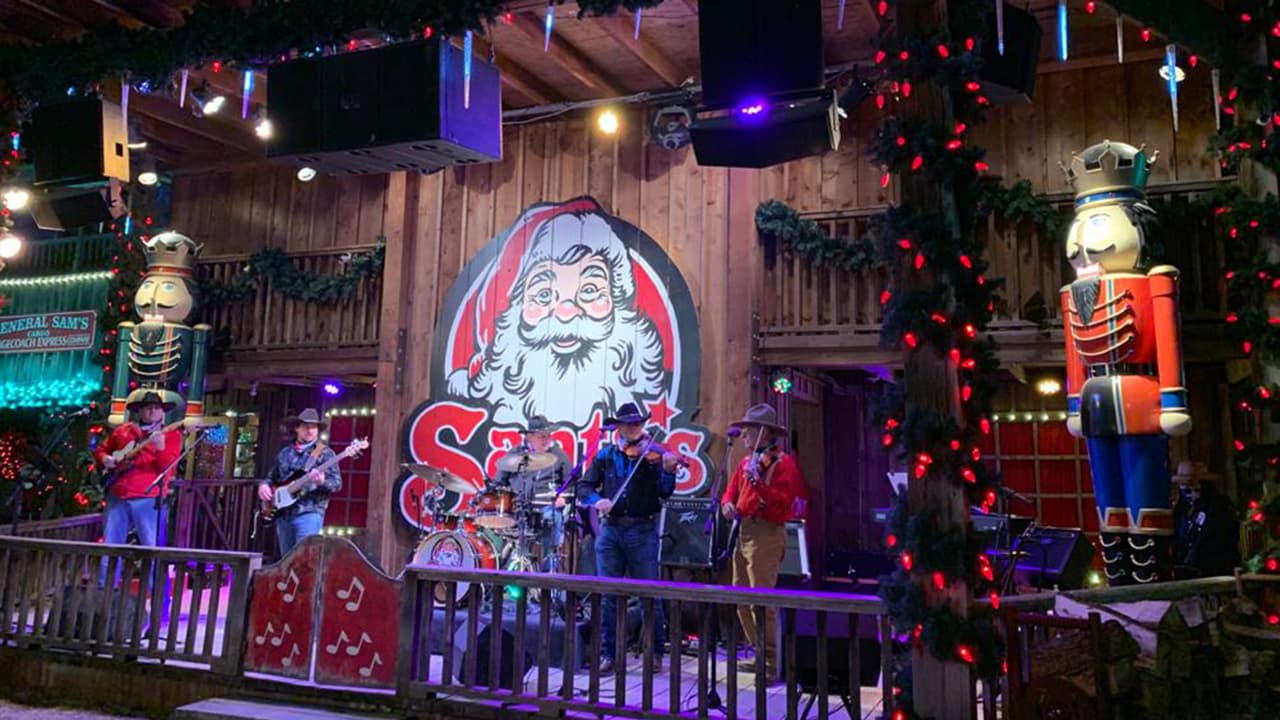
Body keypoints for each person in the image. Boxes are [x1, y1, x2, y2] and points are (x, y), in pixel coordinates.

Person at [580, 402, 680, 674]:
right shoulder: (605, 456)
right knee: (608, 595)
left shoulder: (654, 456)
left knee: (650, 594)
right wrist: (597, 500)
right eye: (629, 424)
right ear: (620, 427)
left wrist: (669, 471)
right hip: (611, 530)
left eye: (638, 424)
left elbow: (664, 492)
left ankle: (655, 653)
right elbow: (584, 486)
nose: (635, 428)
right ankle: (608, 654)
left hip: (643, 531)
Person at [720, 404, 809, 678]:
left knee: (761, 600)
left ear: (765, 432)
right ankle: (759, 653)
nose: (744, 434)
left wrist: (758, 483)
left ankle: (771, 662)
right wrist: (726, 505)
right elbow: (730, 493)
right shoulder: (747, 462)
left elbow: (782, 506)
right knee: (740, 598)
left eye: (749, 429)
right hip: (743, 530)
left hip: (766, 533)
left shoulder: (783, 464)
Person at [95, 391, 183, 546]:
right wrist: (104, 458)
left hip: (148, 496)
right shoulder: (123, 431)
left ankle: (151, 571)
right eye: (148, 407)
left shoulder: (171, 435)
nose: (153, 411)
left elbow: (167, 468)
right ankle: (108, 570)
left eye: (157, 407)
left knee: (151, 546)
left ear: (162, 412)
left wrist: (160, 448)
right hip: (118, 493)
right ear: (139, 411)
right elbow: (102, 450)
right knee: (110, 545)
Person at [494, 415, 574, 569]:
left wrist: (564, 497)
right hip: (518, 507)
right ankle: (503, 572)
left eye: (548, 436)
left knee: (553, 518)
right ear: (529, 437)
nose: (546, 439)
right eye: (541, 436)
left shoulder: (560, 456)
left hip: (546, 507)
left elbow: (571, 485)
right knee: (498, 522)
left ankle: (547, 573)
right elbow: (498, 482)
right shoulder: (516, 454)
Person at [258, 408, 342, 556]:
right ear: (297, 428)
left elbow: (337, 484)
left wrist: (322, 481)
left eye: (314, 427)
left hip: (309, 513)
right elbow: (271, 477)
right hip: (283, 513)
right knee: (287, 560)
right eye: (305, 426)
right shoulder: (285, 453)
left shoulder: (325, 453)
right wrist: (263, 485)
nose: (310, 430)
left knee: (304, 559)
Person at [1172, 461, 1240, 579]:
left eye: (1191, 484)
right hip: (1186, 573)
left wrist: (1191, 564)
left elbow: (1211, 539)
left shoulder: (1219, 507)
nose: (1186, 489)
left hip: (1214, 571)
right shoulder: (1181, 509)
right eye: (1182, 484)